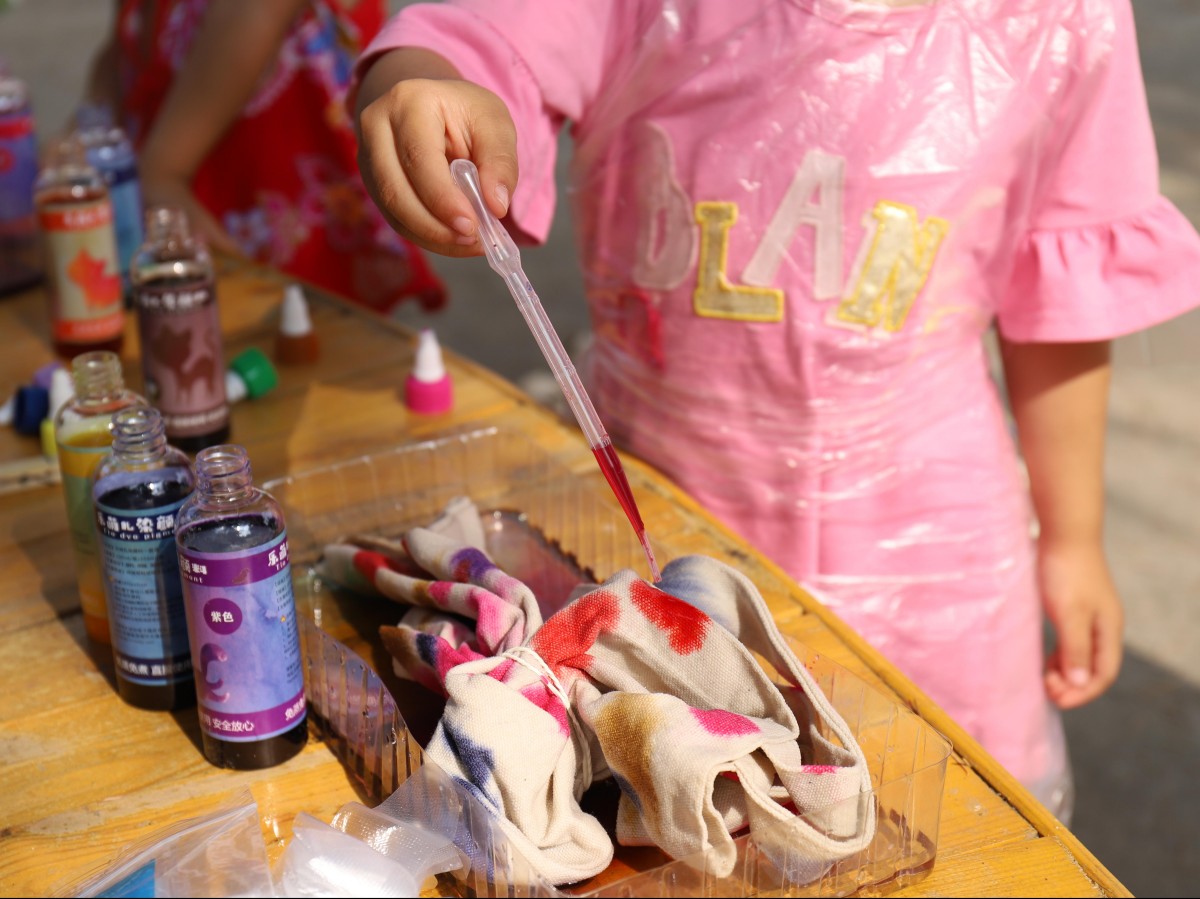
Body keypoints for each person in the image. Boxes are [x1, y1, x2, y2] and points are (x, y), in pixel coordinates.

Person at [350, 0, 1200, 820]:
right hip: (662, 518)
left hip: (937, 562)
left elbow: (1061, 295)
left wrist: (1073, 536)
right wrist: (422, 86)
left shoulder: (1062, 15)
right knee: (677, 799)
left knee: (951, 819)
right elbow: (479, 42)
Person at [80, 0, 446, 314]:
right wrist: (83, 133)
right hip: (165, 230)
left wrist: (150, 175)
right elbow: (118, 57)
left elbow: (162, 177)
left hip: (268, 255)